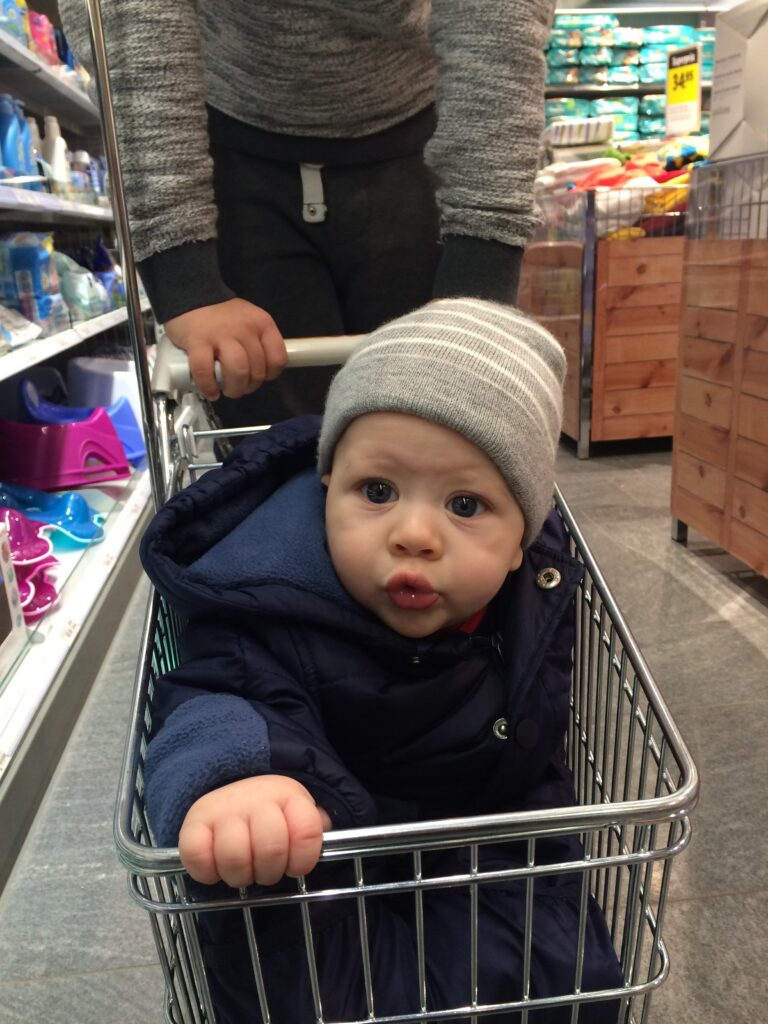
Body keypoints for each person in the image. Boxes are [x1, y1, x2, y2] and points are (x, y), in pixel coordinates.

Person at [139, 298, 623, 1023]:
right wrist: (236, 781)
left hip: (483, 834)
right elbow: (218, 692)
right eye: (377, 491)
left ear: (522, 540)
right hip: (316, 854)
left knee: (560, 978)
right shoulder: (266, 599)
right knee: (301, 987)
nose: (414, 534)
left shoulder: (533, 596)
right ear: (326, 487)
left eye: (466, 505)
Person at [59, 1, 554, 424]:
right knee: (272, 445)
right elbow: (132, 21)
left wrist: (481, 273)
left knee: (439, 422)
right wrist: (185, 280)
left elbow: (497, 23)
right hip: (221, 141)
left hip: (417, 132)